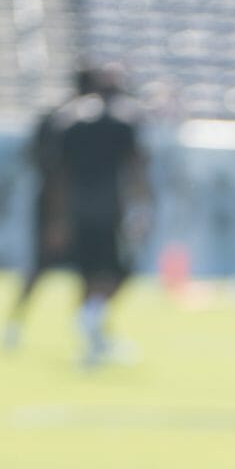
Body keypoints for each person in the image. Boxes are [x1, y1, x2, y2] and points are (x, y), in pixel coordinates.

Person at [52, 62, 151, 365]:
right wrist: (142, 207)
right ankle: (91, 324)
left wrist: (59, 217)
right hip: (110, 210)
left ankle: (91, 336)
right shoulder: (123, 124)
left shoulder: (73, 122)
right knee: (117, 272)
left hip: (80, 209)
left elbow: (61, 174)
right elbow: (136, 168)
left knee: (87, 277)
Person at [0, 65, 97, 349]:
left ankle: (17, 325)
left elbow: (33, 157)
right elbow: (57, 169)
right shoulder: (73, 121)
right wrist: (59, 217)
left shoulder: (54, 116)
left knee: (49, 267)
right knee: (72, 268)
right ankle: (83, 331)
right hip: (64, 206)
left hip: (54, 202)